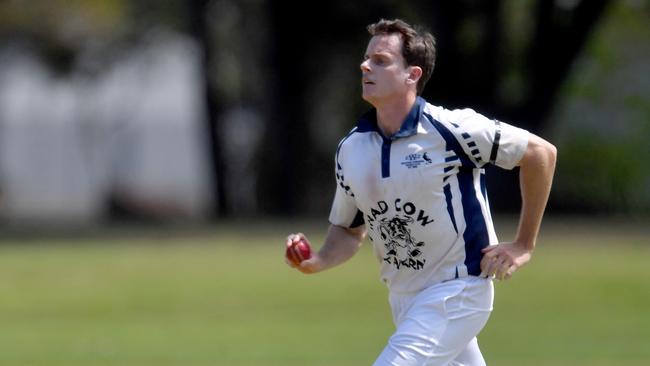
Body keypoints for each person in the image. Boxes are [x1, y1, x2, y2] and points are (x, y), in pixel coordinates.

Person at [284, 18, 556, 366]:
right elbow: (350, 230)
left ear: (412, 74)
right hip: (404, 299)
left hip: (458, 291)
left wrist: (523, 244)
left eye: (381, 60)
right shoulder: (351, 149)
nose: (365, 65)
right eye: (366, 59)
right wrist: (317, 261)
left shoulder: (452, 130)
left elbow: (540, 154)